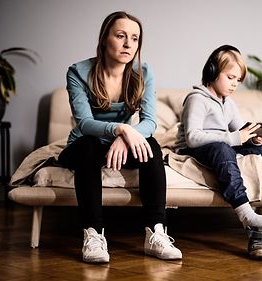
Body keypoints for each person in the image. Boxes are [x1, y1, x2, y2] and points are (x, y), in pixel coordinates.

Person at [58, 11, 182, 263]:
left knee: (153, 147)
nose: (128, 44)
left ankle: (156, 232)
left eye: (134, 38)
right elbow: (84, 122)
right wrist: (121, 129)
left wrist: (127, 136)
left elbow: (150, 121)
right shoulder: (78, 72)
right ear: (105, 39)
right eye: (121, 36)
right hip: (84, 146)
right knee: (90, 146)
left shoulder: (143, 72)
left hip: (121, 147)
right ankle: (93, 235)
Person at [174, 45, 262, 259]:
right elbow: (193, 137)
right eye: (231, 77)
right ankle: (247, 214)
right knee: (223, 149)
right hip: (197, 148)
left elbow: (239, 129)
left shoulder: (228, 102)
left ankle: (232, 159)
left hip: (223, 146)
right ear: (213, 72)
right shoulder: (197, 99)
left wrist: (253, 136)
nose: (235, 84)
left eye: (238, 80)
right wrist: (235, 139)